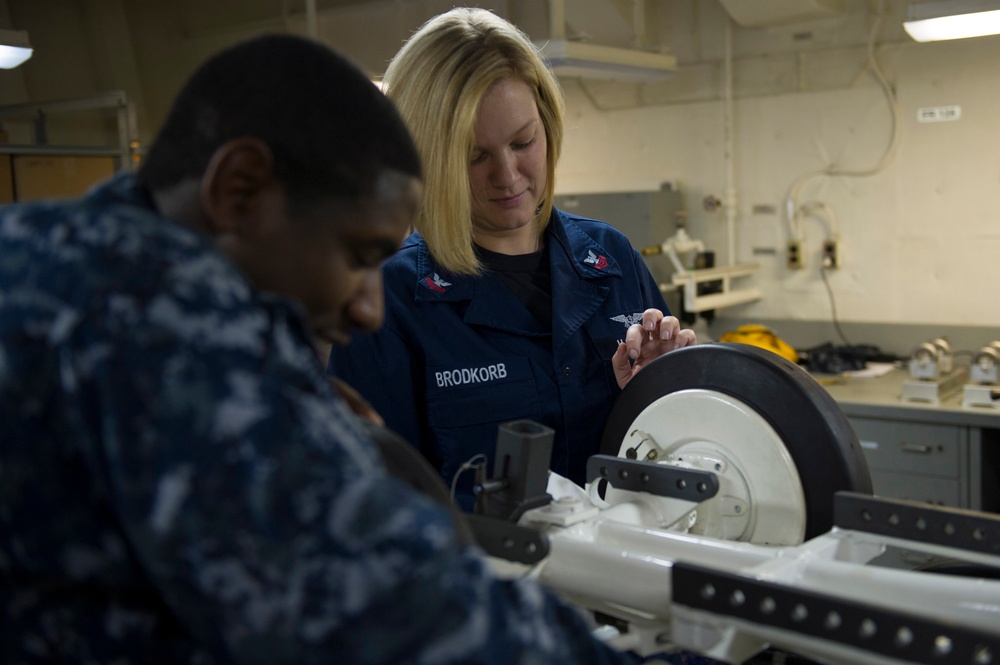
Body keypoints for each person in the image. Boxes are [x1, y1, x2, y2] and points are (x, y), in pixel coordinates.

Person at [0, 34, 637, 664]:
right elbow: (389, 609)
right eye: (358, 257)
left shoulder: (47, 253)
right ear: (239, 187)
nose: (368, 306)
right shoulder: (161, 336)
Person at [328, 8, 697, 509]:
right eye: (473, 156)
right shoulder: (390, 301)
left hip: (623, 576)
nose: (507, 176)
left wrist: (660, 388)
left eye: (523, 142)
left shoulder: (612, 259)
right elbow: (373, 507)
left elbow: (674, 452)